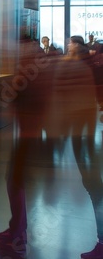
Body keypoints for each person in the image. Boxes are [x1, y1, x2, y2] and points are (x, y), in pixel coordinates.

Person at [0, 34, 52, 256]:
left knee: (14, 182)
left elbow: (32, 103)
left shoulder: (33, 71)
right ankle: (16, 229)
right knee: (13, 181)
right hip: (27, 136)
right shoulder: (31, 69)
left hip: (29, 137)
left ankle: (18, 233)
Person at [51, 36, 102, 259]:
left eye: (71, 43)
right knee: (93, 184)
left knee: (94, 186)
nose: (68, 46)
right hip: (84, 130)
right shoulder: (88, 63)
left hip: (83, 132)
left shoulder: (77, 65)